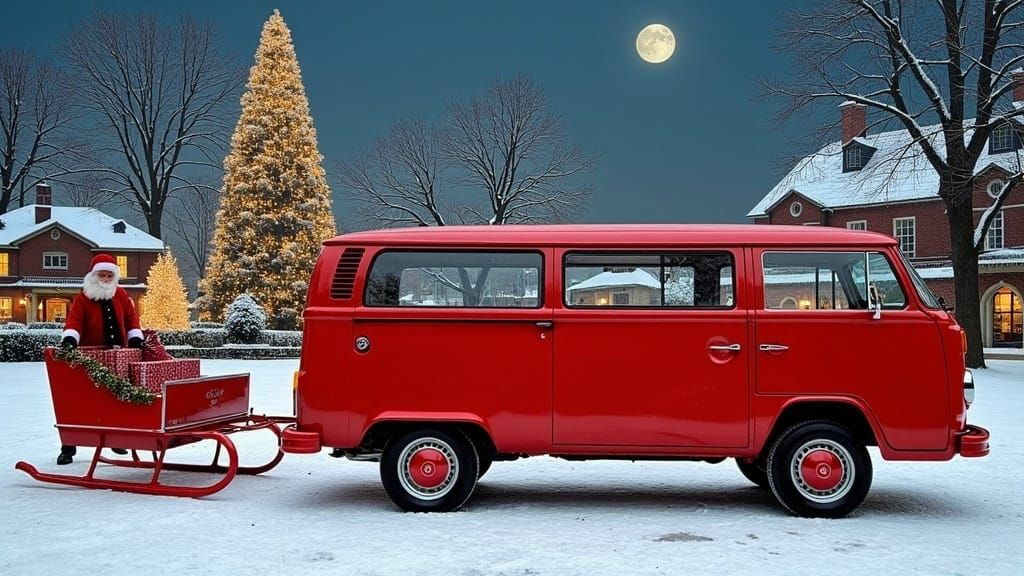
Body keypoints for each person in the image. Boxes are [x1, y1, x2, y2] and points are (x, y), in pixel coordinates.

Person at [56, 253, 144, 465]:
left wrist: (135, 338)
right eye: (101, 274)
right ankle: (68, 447)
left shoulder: (121, 295)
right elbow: (74, 321)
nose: (105, 278)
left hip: (117, 357)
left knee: (115, 400)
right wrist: (69, 340)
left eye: (108, 274)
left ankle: (115, 439)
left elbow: (131, 318)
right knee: (79, 402)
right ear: (94, 276)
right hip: (90, 357)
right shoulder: (83, 297)